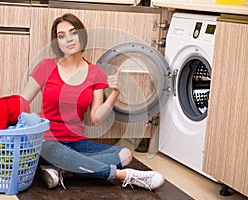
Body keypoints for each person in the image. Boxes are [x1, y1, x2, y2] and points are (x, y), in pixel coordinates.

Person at [21, 13, 165, 191]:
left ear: (82, 35)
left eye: (73, 32)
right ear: (57, 42)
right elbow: (22, 102)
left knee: (124, 155)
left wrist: (114, 93)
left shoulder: (95, 72)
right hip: (47, 140)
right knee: (52, 150)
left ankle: (64, 168)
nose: (68, 39)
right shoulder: (46, 66)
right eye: (61, 36)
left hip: (76, 141)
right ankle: (125, 176)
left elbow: (96, 118)